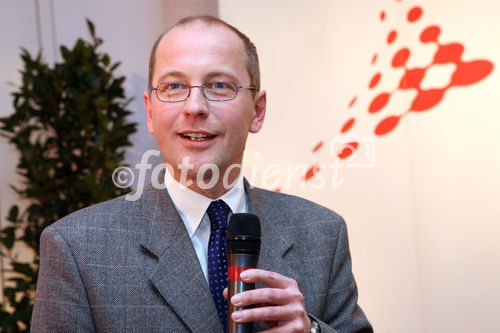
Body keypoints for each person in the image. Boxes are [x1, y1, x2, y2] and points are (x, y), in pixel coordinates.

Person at [31, 15, 372, 333]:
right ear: (150, 111)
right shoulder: (76, 247)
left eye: (220, 85)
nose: (195, 107)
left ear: (258, 110)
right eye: (174, 86)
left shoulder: (323, 233)